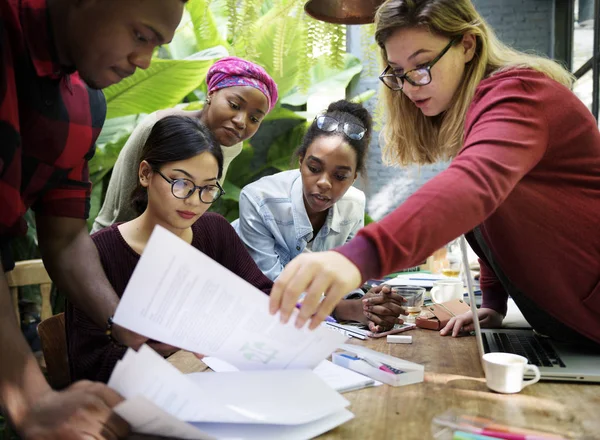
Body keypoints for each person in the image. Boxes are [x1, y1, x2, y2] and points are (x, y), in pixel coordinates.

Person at [267, 0, 600, 348]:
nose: (410, 86)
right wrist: (492, 302)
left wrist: (356, 258)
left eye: (423, 65)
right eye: (398, 72)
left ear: (468, 45)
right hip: (565, 326)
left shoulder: (521, 96)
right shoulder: (478, 111)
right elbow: (495, 212)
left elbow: (473, 188)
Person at [0, 0, 185, 438]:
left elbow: (64, 239)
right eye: (141, 36)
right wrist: (30, 398)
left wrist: (122, 320)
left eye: (158, 46)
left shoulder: (84, 104)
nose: (144, 62)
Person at [67, 115, 274, 383]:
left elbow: (261, 294)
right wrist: (167, 350)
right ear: (145, 173)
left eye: (208, 188)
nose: (194, 201)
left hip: (218, 385)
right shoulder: (100, 253)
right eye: (181, 183)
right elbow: (87, 364)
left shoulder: (215, 231)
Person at [234, 100, 405, 332]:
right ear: (301, 160)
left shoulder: (353, 204)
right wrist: (345, 309)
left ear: (354, 177)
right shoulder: (259, 199)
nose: (324, 183)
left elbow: (344, 274)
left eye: (340, 176)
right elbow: (270, 287)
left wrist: (368, 303)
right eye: (314, 168)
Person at [92, 56, 278, 233]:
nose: (241, 121)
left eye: (254, 118)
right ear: (211, 93)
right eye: (235, 105)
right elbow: (124, 203)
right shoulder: (160, 128)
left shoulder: (231, 144)